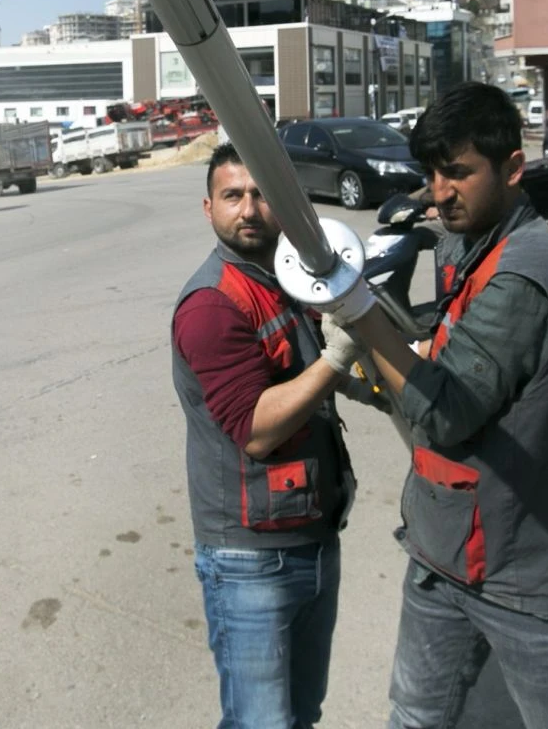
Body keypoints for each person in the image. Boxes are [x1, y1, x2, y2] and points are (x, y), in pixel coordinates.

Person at [323, 83, 548, 729]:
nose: (441, 192)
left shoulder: (527, 273)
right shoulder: (468, 239)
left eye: (459, 173)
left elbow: (445, 412)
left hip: (538, 582)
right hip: (444, 556)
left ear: (513, 168)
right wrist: (409, 208)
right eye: (432, 174)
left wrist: (357, 312)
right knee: (413, 717)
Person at [172, 142, 374, 729]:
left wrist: (354, 374)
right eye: (233, 196)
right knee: (263, 723)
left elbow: (302, 368)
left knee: (301, 715)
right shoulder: (212, 303)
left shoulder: (283, 278)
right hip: (250, 560)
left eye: (262, 195)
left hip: (312, 537)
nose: (250, 209)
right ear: (208, 208)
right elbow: (255, 430)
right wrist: (337, 361)